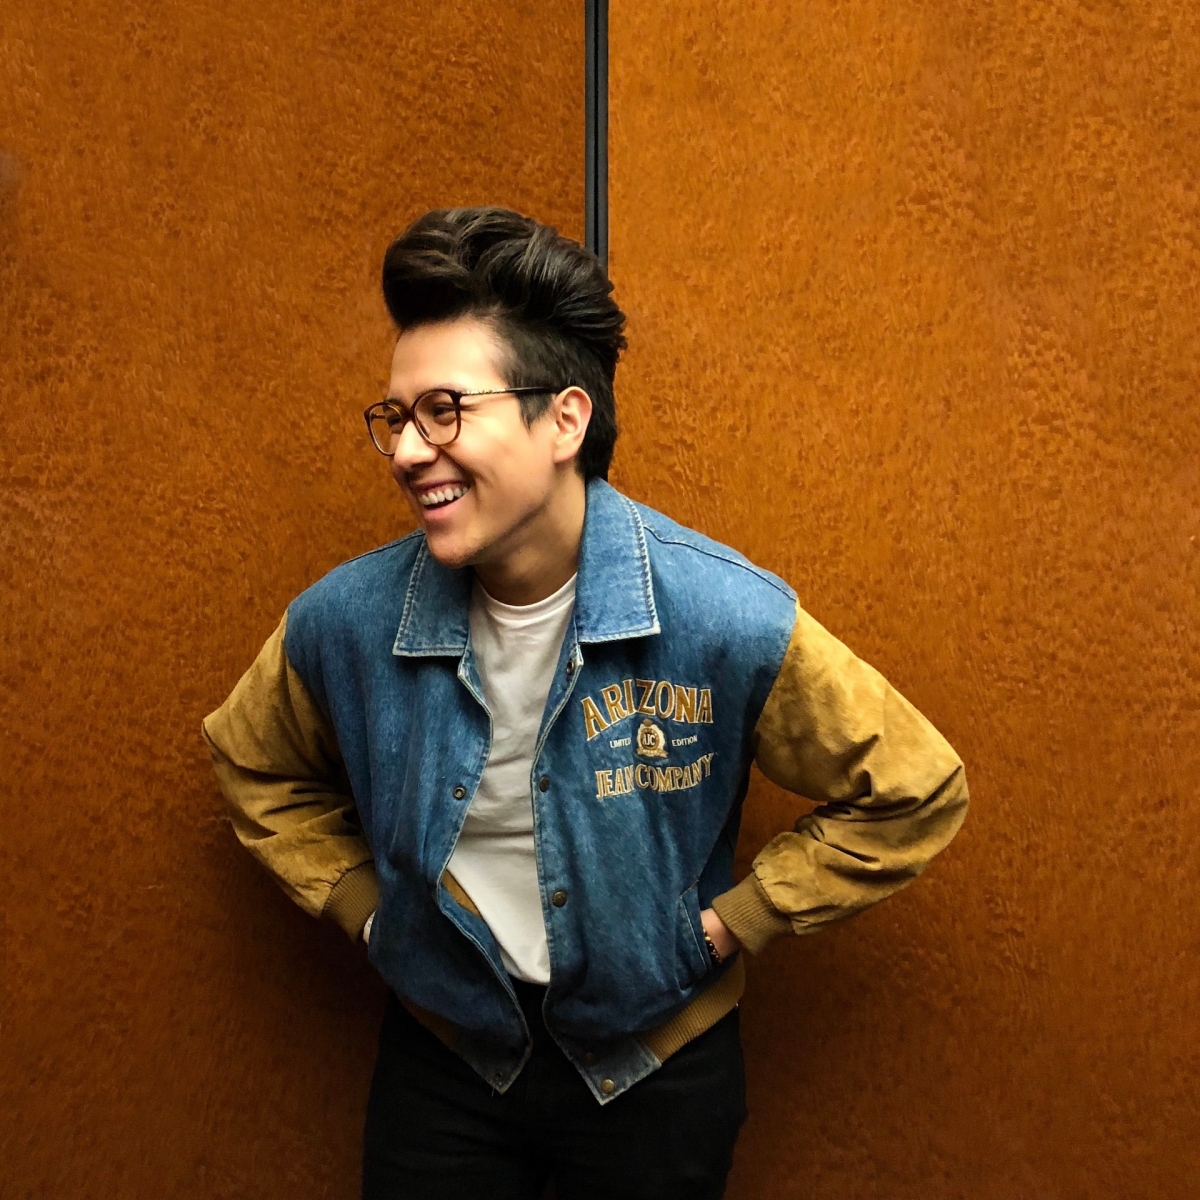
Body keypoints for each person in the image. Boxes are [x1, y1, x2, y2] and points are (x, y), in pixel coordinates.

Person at [202, 206, 969, 1200]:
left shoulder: (720, 614)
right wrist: (365, 912)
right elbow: (251, 761)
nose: (406, 451)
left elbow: (914, 788)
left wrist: (734, 922)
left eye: (445, 410)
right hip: (446, 1063)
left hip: (655, 1072)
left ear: (564, 418)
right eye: (396, 418)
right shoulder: (344, 622)